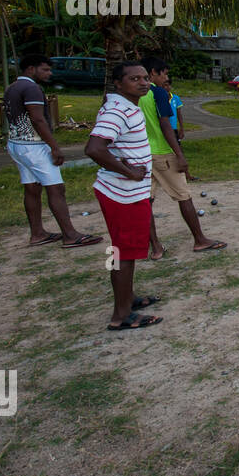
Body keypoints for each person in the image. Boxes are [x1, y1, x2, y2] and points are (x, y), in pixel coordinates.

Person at [84, 62, 161, 329]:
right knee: (123, 253)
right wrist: (128, 171)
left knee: (128, 250)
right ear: (118, 83)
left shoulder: (128, 106)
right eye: (134, 79)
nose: (143, 82)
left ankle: (128, 299)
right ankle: (121, 316)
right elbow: (94, 148)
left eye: (144, 77)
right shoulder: (117, 111)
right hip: (122, 193)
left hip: (128, 192)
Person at [3, 54, 102, 249]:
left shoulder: (12, 87)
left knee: (32, 188)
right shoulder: (31, 88)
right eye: (45, 69)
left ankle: (37, 233)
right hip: (34, 146)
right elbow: (38, 119)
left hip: (17, 143)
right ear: (31, 68)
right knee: (56, 188)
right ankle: (70, 234)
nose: (50, 73)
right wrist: (54, 146)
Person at [140, 57, 226, 258]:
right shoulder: (157, 93)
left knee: (146, 201)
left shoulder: (132, 94)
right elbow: (165, 125)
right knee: (183, 196)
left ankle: (156, 247)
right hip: (162, 152)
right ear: (154, 72)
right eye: (165, 74)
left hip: (140, 154)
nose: (166, 78)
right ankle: (200, 240)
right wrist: (179, 154)